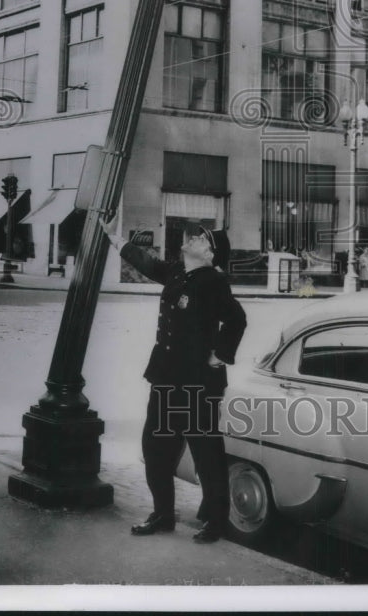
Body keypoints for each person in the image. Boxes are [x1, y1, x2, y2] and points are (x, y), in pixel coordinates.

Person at [101, 218, 246, 544]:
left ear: (209, 253)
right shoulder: (178, 271)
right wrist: (114, 237)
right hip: (166, 377)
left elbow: (237, 319)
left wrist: (219, 355)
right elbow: (147, 263)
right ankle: (163, 514)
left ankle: (216, 521)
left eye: (201, 238)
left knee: (206, 453)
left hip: (198, 384)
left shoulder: (213, 282)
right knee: (155, 449)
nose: (192, 237)